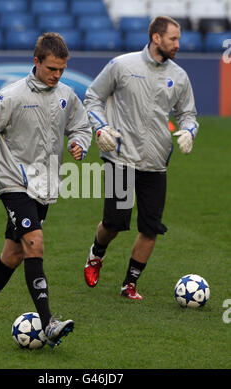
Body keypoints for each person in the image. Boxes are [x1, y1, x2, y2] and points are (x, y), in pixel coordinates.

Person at [0, 32, 92, 347]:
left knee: (12, 255)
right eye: (51, 69)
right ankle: (48, 323)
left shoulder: (67, 95)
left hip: (45, 187)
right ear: (36, 62)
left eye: (61, 70)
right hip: (14, 184)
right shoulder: (11, 97)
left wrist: (79, 142)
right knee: (34, 243)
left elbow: (82, 125)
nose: (56, 76)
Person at [83, 16, 199, 300]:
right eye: (173, 39)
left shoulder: (180, 76)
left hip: (156, 163)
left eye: (178, 39)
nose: (178, 44)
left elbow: (188, 115)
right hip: (121, 159)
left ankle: (129, 284)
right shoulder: (121, 65)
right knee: (115, 222)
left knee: (151, 227)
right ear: (156, 38)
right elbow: (92, 97)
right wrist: (101, 127)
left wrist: (189, 132)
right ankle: (96, 254)